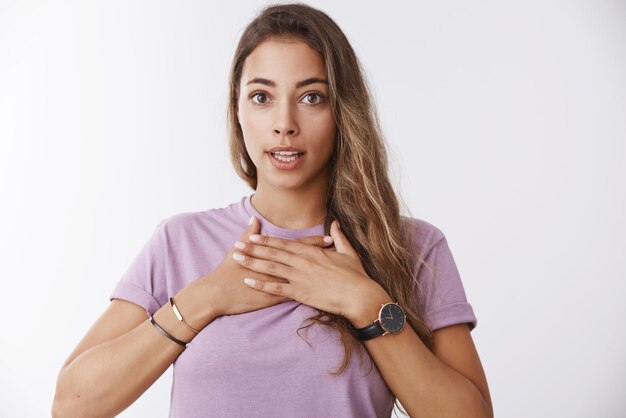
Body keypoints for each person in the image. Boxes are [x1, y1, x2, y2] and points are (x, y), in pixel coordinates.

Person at [53, 3, 493, 417]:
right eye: (262, 97)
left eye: (312, 97)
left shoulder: (412, 247)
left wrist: (364, 302)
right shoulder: (179, 241)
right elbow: (72, 404)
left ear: (343, 111)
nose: (285, 123)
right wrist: (206, 298)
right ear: (238, 109)